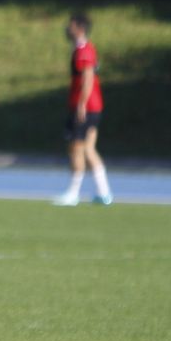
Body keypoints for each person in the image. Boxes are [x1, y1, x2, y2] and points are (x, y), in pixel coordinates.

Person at [53, 12, 113, 207]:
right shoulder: (84, 49)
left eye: (70, 25)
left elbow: (88, 77)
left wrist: (81, 104)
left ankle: (73, 193)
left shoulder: (83, 50)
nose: (67, 29)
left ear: (79, 28)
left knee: (76, 148)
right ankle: (104, 193)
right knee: (88, 149)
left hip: (86, 107)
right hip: (93, 106)